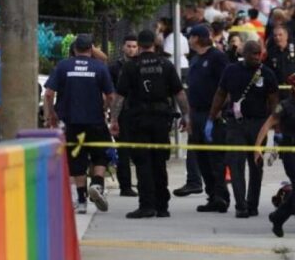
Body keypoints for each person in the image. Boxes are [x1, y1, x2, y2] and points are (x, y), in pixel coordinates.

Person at [112, 29, 190, 219]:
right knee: (159, 161)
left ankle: (147, 205)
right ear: (154, 43)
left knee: (142, 162)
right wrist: (186, 116)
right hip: (161, 120)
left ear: (139, 44)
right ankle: (162, 206)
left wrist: (114, 119)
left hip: (138, 120)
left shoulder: (131, 66)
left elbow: (120, 97)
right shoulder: (165, 64)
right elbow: (179, 93)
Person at [44, 34, 114, 215]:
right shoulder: (99, 67)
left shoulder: (63, 66)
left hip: (71, 123)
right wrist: (105, 108)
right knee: (101, 154)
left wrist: (51, 114)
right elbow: (110, 96)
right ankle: (97, 184)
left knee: (76, 160)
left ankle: (81, 201)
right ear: (91, 49)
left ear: (74, 48)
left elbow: (49, 94)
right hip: (95, 121)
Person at [209, 40, 278, 218]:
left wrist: (276, 127)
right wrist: (211, 117)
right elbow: (220, 94)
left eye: (259, 53)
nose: (257, 57)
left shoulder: (267, 73)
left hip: (258, 124)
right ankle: (241, 205)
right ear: (244, 54)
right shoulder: (231, 70)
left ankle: (252, 204)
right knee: (236, 165)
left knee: (256, 165)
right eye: (253, 53)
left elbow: (273, 101)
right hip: (235, 125)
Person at [254, 71, 295, 239]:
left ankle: (278, 217)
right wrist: (257, 147)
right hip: (291, 151)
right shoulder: (284, 105)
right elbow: (268, 124)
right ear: (294, 87)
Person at [185, 25, 231, 213]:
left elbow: (226, 87)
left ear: (197, 38)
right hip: (196, 113)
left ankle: (221, 196)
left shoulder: (217, 57)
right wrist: (188, 116)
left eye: (190, 37)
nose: (189, 40)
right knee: (202, 158)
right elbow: (192, 89)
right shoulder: (195, 59)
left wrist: (219, 110)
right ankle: (212, 195)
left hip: (212, 114)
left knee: (216, 159)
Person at [108, 33, 139, 197]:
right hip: (123, 113)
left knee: (139, 151)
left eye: (134, 46)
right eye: (129, 46)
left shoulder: (141, 65)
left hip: (138, 113)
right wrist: (113, 116)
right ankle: (125, 186)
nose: (131, 49)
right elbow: (111, 93)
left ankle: (143, 183)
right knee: (124, 152)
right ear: (123, 47)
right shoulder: (115, 68)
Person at [265, 25, 295, 100]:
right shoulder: (271, 52)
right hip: (278, 90)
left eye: (280, 35)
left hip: (294, 90)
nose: (277, 38)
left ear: (286, 36)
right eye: (275, 36)